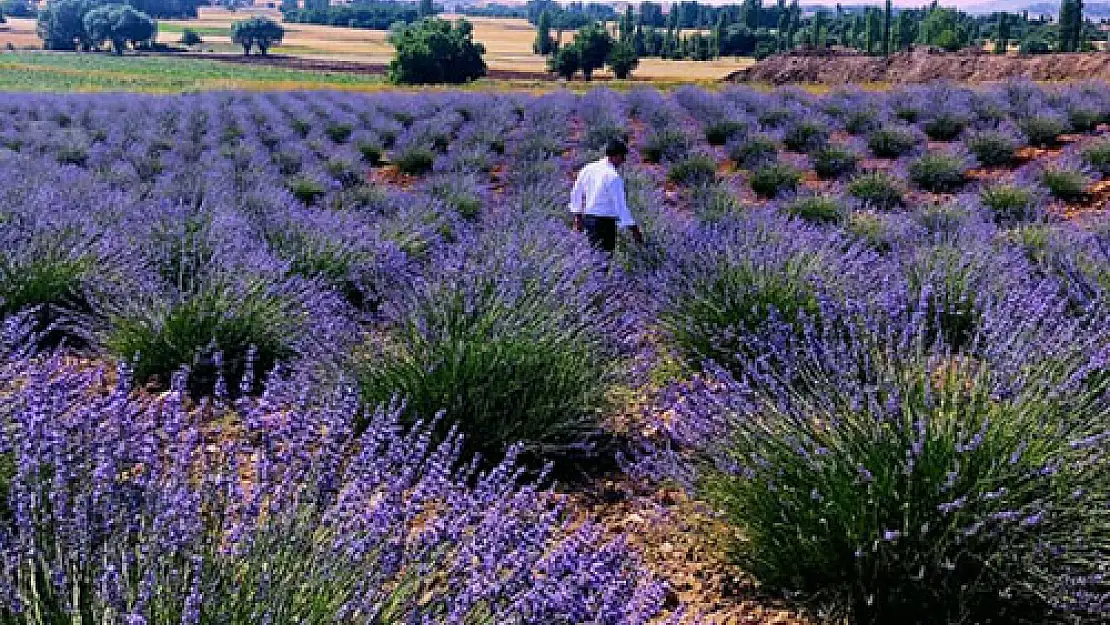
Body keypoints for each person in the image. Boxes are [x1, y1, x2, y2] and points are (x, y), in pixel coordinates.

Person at [569, 138, 644, 253]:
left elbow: (576, 192)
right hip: (604, 224)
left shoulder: (588, 168)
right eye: (623, 157)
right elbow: (621, 206)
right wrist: (634, 230)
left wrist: (577, 217)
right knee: (603, 262)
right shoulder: (613, 176)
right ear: (616, 156)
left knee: (590, 259)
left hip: (588, 220)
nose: (623, 161)